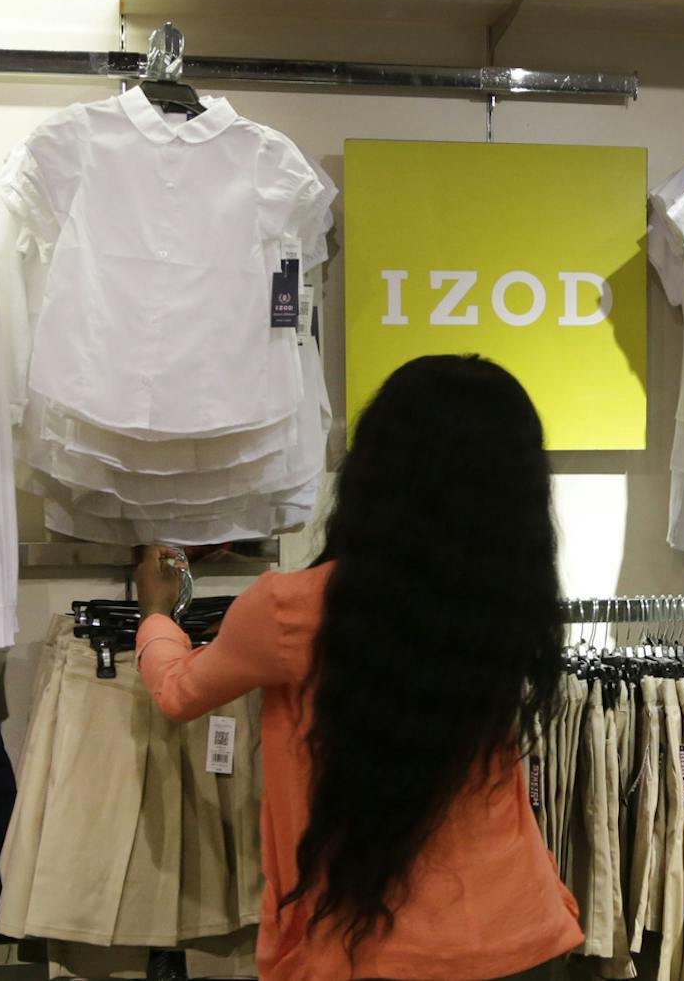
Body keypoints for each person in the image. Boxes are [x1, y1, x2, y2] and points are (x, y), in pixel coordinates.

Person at [133, 354, 583, 981]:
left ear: (375, 470)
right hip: (522, 935)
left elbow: (178, 691)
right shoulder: (507, 606)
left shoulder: (289, 609)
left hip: (368, 950)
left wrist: (156, 616)